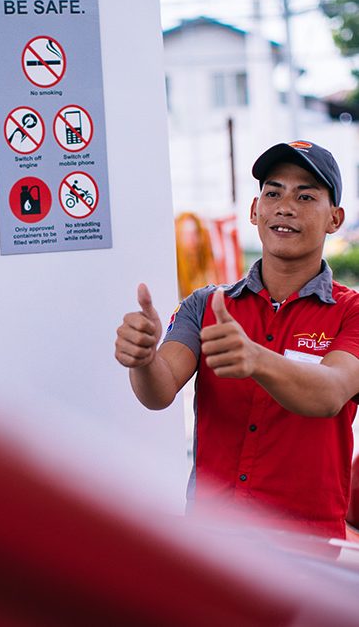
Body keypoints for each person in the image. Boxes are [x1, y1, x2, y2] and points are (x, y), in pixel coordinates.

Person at [115, 140, 359, 539]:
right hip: (213, 540)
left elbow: (330, 393)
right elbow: (158, 391)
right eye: (273, 192)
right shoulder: (205, 305)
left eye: (306, 196)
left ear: (335, 218)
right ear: (254, 210)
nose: (285, 206)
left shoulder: (352, 312)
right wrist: (142, 359)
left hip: (308, 550)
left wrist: (256, 359)